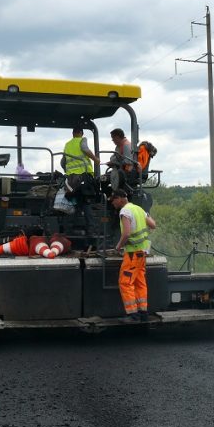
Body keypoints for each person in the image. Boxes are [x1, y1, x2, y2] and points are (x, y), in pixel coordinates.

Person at [109, 188, 157, 322]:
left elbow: (126, 234)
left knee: (125, 282)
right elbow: (153, 225)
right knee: (139, 281)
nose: (113, 203)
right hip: (142, 252)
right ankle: (143, 313)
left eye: (113, 200)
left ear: (120, 199)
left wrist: (118, 247)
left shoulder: (125, 211)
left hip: (132, 253)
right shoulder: (139, 209)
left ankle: (132, 315)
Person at [61, 127, 100, 233]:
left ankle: (68, 230)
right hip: (83, 178)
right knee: (86, 203)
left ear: (73, 133)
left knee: (74, 202)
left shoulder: (67, 144)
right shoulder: (82, 140)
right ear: (81, 133)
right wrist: (95, 159)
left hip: (71, 180)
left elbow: (62, 162)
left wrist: (68, 171)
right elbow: (85, 149)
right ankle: (91, 230)